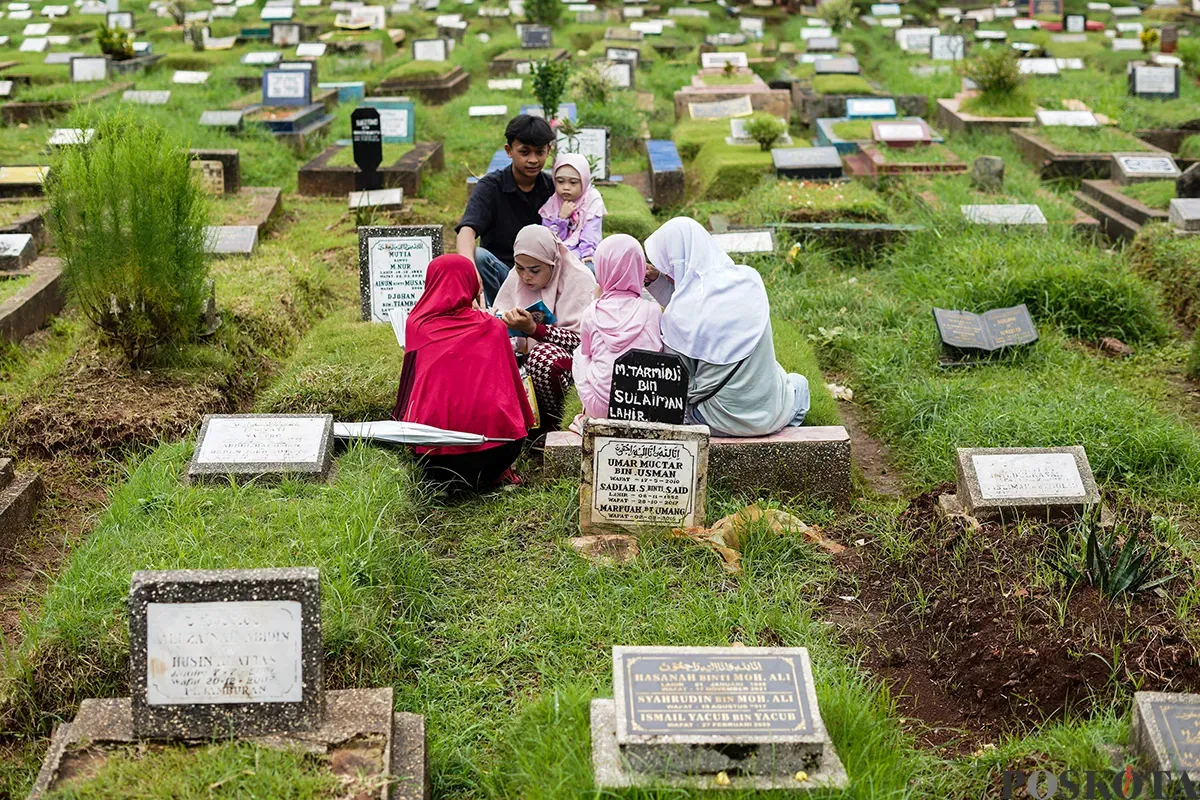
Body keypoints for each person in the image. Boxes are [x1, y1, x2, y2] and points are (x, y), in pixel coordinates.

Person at [642, 217, 810, 438]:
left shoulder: (680, 315)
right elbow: (697, 302)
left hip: (715, 420)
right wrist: (656, 281)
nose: (667, 274)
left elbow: (680, 381)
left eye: (667, 268)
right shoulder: (750, 280)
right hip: (771, 414)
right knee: (799, 384)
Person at [392, 254, 534, 490]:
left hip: (434, 458)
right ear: (472, 284)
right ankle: (494, 477)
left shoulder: (418, 325)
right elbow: (515, 392)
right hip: (499, 452)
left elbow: (409, 387)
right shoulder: (494, 328)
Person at [494, 225, 597, 436]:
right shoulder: (517, 277)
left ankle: (549, 427)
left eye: (534, 270)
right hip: (524, 360)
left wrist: (535, 330)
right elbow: (499, 311)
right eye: (519, 268)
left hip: (567, 368)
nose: (525, 276)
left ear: (553, 262)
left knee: (543, 357)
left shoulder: (579, 279)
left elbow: (584, 343)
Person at [456, 114, 556, 306]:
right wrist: (469, 268)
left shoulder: (553, 188)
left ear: (548, 150)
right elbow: (466, 231)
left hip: (546, 278)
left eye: (540, 152)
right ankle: (498, 316)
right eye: (525, 152)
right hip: (503, 273)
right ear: (509, 150)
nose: (533, 160)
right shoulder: (490, 187)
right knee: (478, 257)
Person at [572, 234, 662, 420]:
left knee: (579, 353)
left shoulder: (592, 312)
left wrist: (596, 299)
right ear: (639, 268)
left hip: (600, 407)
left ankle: (587, 414)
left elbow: (588, 353)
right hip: (643, 405)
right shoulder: (653, 311)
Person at [539, 153, 606, 264]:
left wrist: (587, 256)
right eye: (560, 181)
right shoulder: (551, 203)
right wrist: (561, 218)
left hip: (583, 256)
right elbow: (549, 240)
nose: (566, 187)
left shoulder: (592, 200)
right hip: (556, 256)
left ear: (584, 180)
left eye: (573, 182)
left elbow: (590, 236)